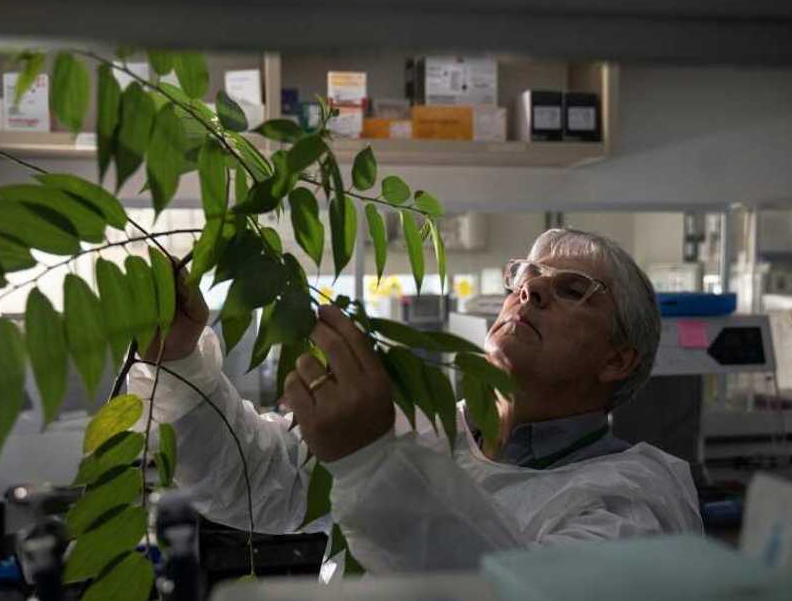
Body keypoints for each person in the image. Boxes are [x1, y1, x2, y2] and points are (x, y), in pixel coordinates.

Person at [129, 228, 702, 573]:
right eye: (526, 277)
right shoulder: (423, 430)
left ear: (617, 359)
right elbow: (250, 480)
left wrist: (371, 463)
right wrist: (177, 357)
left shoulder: (634, 504)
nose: (529, 291)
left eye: (572, 289)